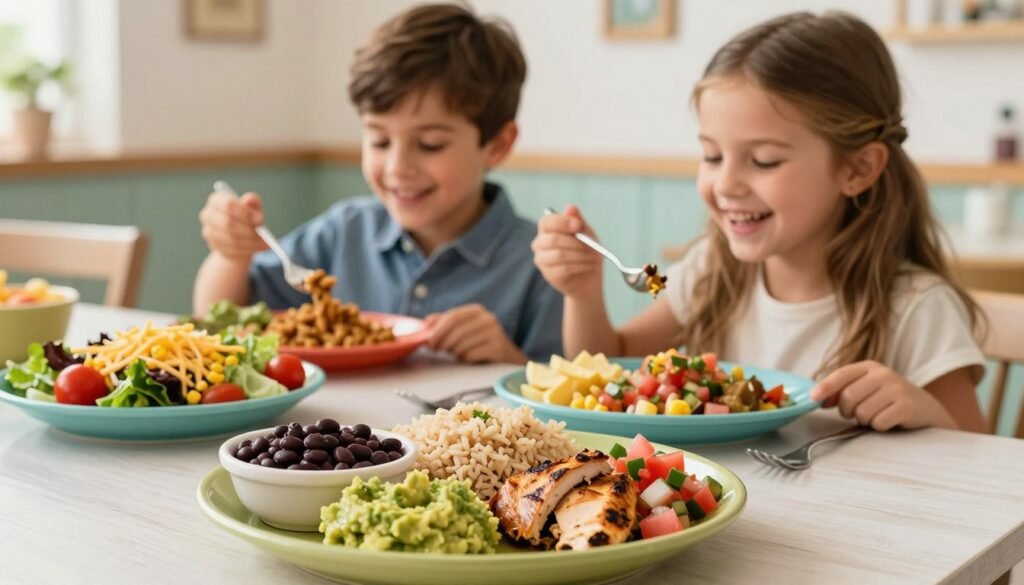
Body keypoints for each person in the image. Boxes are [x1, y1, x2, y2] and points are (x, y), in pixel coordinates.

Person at [533, 12, 988, 432]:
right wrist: (584, 291)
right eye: (711, 155)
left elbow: (984, 463)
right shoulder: (712, 270)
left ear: (857, 169)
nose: (725, 183)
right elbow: (606, 371)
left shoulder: (916, 307)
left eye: (764, 161)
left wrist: (926, 414)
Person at [193, 3, 562, 364]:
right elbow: (220, 318)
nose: (397, 167)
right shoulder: (344, 231)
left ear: (496, 145)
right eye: (379, 141)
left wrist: (507, 359)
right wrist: (232, 255)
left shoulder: (538, 264)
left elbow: (565, 393)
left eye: (430, 144)